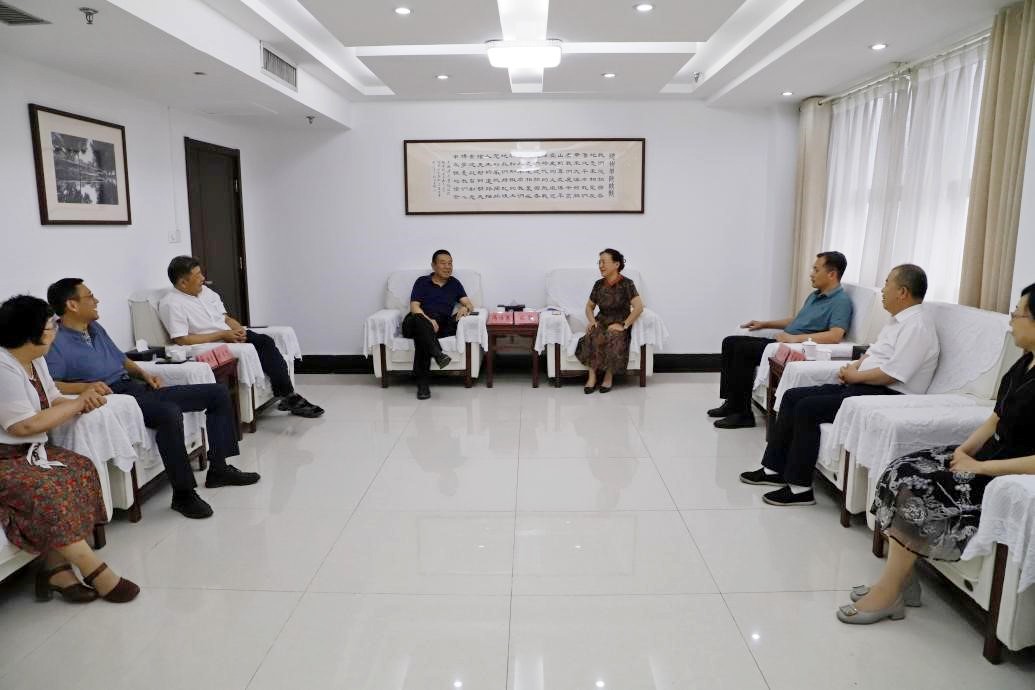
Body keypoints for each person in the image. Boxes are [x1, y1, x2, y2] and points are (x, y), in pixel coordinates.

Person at [837, 284, 1035, 625]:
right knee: (901, 469)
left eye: (1017, 314)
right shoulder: (1024, 363)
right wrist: (964, 449)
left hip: (1007, 475)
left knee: (919, 489)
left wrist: (980, 467)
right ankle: (903, 580)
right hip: (988, 455)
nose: (1011, 321)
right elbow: (996, 417)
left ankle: (889, 594)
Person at [45, 279, 259, 520]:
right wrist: (85, 387)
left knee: (217, 393)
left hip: (135, 388)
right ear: (72, 305)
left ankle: (219, 469)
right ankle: (183, 494)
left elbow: (122, 359)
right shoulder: (57, 341)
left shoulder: (95, 328)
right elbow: (51, 383)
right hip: (116, 400)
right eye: (90, 296)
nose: (96, 300)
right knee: (168, 412)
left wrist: (144, 374)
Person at [739, 264, 939, 507]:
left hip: (887, 395)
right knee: (792, 396)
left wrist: (855, 377)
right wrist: (854, 367)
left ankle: (800, 489)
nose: (883, 290)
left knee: (808, 408)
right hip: (866, 385)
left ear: (903, 292)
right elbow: (874, 353)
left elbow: (892, 374)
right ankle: (773, 470)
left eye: (887, 283)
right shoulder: (897, 321)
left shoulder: (917, 326)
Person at [0, 295, 139, 604]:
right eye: (51, 325)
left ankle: (56, 570)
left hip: (28, 452)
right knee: (46, 488)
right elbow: (22, 426)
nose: (56, 330)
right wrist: (76, 404)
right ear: (31, 334)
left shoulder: (34, 359)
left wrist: (84, 401)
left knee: (80, 467)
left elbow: (51, 398)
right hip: (6, 458)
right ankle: (95, 570)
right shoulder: (2, 367)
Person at [158, 256, 323, 418]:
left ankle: (287, 395)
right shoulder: (172, 303)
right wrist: (223, 334)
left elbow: (225, 319)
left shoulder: (206, 292)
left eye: (201, 273)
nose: (203, 278)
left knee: (265, 341)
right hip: (212, 344)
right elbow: (182, 340)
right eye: (197, 275)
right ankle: (289, 396)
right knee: (257, 346)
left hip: (228, 335)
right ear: (183, 283)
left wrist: (238, 330)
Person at [710, 252, 854, 429]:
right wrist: (765, 323)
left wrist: (794, 339)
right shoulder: (815, 296)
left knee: (742, 349)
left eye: (816, 270)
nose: (811, 274)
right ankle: (732, 402)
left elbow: (835, 335)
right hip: (782, 342)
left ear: (832, 274)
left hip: (793, 349)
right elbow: (797, 320)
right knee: (730, 342)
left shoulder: (841, 302)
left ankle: (742, 414)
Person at [403, 249, 476, 400]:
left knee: (423, 338)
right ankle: (438, 354)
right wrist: (428, 321)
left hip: (439, 325)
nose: (447, 267)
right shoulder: (422, 281)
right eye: (443, 263)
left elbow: (469, 303)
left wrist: (465, 307)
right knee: (420, 323)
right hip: (416, 320)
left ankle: (423, 385)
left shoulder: (454, 283)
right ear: (433, 265)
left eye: (450, 263)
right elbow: (414, 307)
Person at [575, 248, 644, 393]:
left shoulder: (627, 284)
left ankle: (608, 377)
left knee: (613, 335)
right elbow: (589, 307)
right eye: (599, 262)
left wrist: (624, 325)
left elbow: (638, 307)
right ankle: (592, 378)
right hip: (602, 320)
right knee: (593, 334)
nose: (601, 266)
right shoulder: (598, 284)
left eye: (604, 262)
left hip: (619, 322)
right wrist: (592, 321)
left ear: (616, 264)